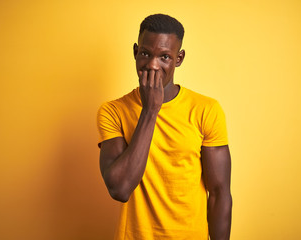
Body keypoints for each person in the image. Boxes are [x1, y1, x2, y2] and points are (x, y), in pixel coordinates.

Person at [97, 13, 232, 240]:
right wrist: (150, 110)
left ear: (178, 59)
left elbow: (219, 194)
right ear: (135, 52)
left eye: (165, 57)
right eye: (145, 53)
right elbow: (119, 189)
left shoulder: (206, 110)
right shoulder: (112, 112)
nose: (152, 65)